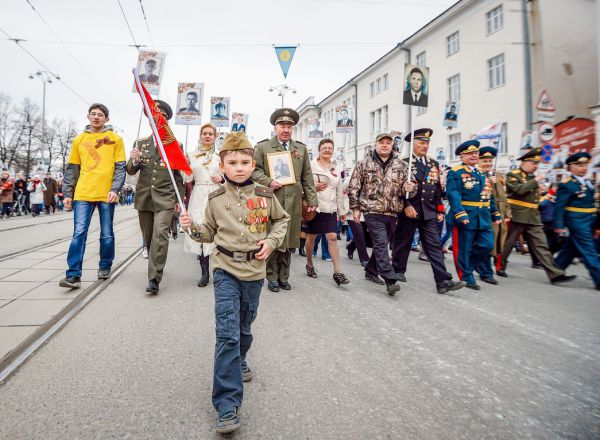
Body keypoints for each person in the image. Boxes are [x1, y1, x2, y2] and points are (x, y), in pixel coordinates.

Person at [179, 131, 289, 434]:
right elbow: (208, 234)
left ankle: (241, 357)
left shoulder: (265, 196)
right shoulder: (215, 199)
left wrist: (272, 240)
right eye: (232, 162)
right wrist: (191, 227)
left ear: (252, 164)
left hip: (254, 272)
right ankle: (227, 404)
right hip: (225, 269)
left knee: (244, 326)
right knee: (227, 333)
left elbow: (282, 221)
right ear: (223, 166)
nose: (239, 167)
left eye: (244, 161)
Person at [59, 103, 126, 288]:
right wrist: (68, 193)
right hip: (83, 193)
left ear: (107, 119)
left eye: (100, 115)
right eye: (93, 114)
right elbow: (72, 169)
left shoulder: (115, 139)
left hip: (106, 194)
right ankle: (73, 275)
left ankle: (105, 266)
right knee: (79, 233)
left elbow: (120, 168)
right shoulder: (79, 140)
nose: (96, 117)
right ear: (88, 117)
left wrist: (115, 189)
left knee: (106, 234)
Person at [391, 129, 465, 294]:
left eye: (427, 143)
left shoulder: (433, 164)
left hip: (429, 211)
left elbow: (436, 188)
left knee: (434, 246)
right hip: (410, 210)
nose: (425, 146)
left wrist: (439, 208)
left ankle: (443, 281)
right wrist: (406, 204)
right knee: (403, 242)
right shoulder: (403, 163)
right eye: (421, 143)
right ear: (413, 145)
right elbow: (395, 188)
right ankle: (397, 271)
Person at [252, 108, 318, 292]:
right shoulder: (263, 147)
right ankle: (271, 276)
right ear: (275, 127)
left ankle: (284, 276)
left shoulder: (301, 148)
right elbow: (254, 170)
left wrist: (312, 200)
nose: (286, 129)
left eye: (289, 126)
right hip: (272, 198)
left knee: (289, 238)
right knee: (273, 236)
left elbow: (307, 176)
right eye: (282, 125)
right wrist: (268, 181)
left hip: (294, 200)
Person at [127, 100, 184, 294]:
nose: (156, 121)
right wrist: (133, 159)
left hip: (165, 198)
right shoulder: (140, 143)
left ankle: (154, 279)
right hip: (145, 198)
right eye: (153, 118)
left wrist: (179, 201)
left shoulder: (175, 144)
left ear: (165, 122)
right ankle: (156, 264)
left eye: (160, 118)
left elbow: (178, 177)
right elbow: (131, 170)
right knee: (150, 238)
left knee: (161, 236)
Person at [348, 133, 416, 295]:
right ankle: (389, 278)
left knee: (382, 243)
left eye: (388, 143)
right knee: (380, 243)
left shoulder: (402, 165)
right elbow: (354, 187)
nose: (385, 145)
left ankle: (371, 270)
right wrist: (355, 208)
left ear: (392, 145)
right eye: (381, 143)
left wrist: (409, 189)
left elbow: (411, 190)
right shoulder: (363, 163)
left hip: (392, 211)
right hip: (371, 209)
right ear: (376, 145)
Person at [498, 148, 576, 285]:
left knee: (541, 246)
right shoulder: (513, 174)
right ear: (525, 162)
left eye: (537, 164)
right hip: (517, 215)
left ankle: (555, 275)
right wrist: (536, 181)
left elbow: (534, 199)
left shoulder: (531, 177)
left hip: (533, 217)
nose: (536, 166)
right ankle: (500, 266)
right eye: (533, 163)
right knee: (508, 244)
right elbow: (519, 190)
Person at [446, 140, 503, 290]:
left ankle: (472, 264)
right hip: (466, 216)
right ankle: (467, 276)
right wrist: (460, 213)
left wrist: (495, 213)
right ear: (461, 156)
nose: (474, 156)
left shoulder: (481, 173)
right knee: (463, 248)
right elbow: (453, 194)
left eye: (476, 153)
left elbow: (488, 195)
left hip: (483, 217)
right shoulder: (456, 172)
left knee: (487, 245)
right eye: (470, 153)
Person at [304, 139, 350, 285]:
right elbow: (303, 184)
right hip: (314, 207)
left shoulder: (336, 168)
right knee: (312, 237)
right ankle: (309, 263)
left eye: (330, 148)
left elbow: (339, 191)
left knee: (332, 237)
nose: (327, 150)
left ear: (333, 150)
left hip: (330, 209)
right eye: (324, 148)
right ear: (319, 150)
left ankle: (337, 272)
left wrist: (341, 211)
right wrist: (313, 187)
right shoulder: (310, 166)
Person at [183, 122, 223, 287]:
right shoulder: (192, 155)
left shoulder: (220, 156)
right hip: (198, 196)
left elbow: (228, 175)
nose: (207, 136)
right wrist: (184, 166)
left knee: (218, 231)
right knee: (199, 230)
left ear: (215, 137)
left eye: (210, 134)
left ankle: (219, 271)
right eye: (204, 133)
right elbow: (188, 179)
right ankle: (204, 272)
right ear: (200, 135)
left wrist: (222, 179)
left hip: (216, 194)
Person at [553, 152, 600, 290]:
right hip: (577, 221)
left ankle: (555, 271)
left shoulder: (588, 182)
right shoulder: (567, 184)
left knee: (571, 248)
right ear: (571, 167)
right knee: (589, 250)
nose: (584, 168)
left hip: (589, 220)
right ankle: (598, 278)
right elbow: (559, 206)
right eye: (580, 165)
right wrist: (558, 225)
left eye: (585, 165)